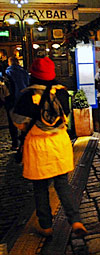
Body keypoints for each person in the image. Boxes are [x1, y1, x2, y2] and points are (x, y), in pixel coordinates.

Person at [11, 57, 87, 237]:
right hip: (59, 144)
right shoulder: (61, 92)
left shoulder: (27, 95)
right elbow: (65, 116)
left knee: (40, 187)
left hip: (37, 146)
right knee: (63, 185)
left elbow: (18, 122)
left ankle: (46, 226)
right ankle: (75, 220)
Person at [5, 57, 29, 149]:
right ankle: (24, 141)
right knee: (25, 119)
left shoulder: (7, 72)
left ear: (9, 63)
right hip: (23, 99)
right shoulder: (24, 72)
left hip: (12, 100)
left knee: (12, 122)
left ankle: (15, 143)